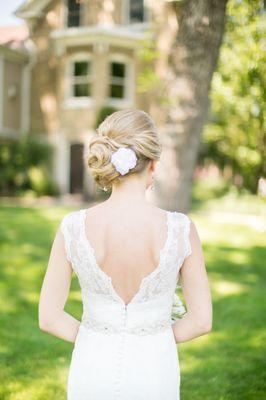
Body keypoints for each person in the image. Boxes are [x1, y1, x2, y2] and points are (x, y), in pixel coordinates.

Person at [38, 108, 212, 400]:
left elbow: (49, 318)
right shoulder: (181, 229)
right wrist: (153, 336)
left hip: (91, 368)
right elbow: (201, 321)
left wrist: (96, 337)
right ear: (153, 165)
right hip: (155, 370)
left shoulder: (73, 227)